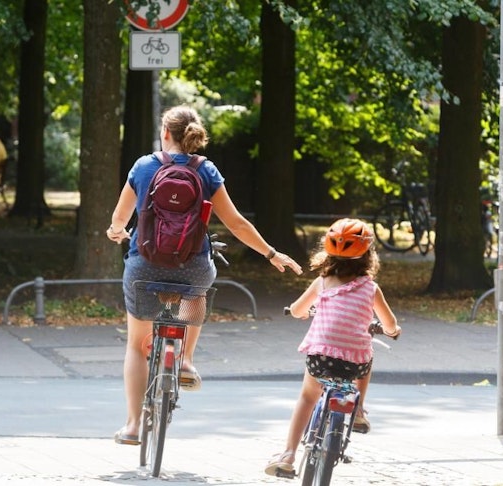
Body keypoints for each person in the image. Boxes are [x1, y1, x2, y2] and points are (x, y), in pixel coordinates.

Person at [106, 105, 303, 446]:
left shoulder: (144, 166)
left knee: (138, 346)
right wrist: (271, 253)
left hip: (144, 265)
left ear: (165, 134)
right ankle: (185, 359)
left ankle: (134, 426)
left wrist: (116, 230)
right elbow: (237, 223)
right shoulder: (207, 170)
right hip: (193, 266)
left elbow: (121, 216)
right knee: (197, 291)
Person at [264, 218, 399, 477]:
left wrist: (296, 312)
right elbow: (389, 323)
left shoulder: (322, 283)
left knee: (307, 396)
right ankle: (358, 410)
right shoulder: (371, 289)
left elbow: (298, 309)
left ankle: (288, 455)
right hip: (354, 364)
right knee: (367, 357)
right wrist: (393, 331)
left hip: (320, 360)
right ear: (368, 256)